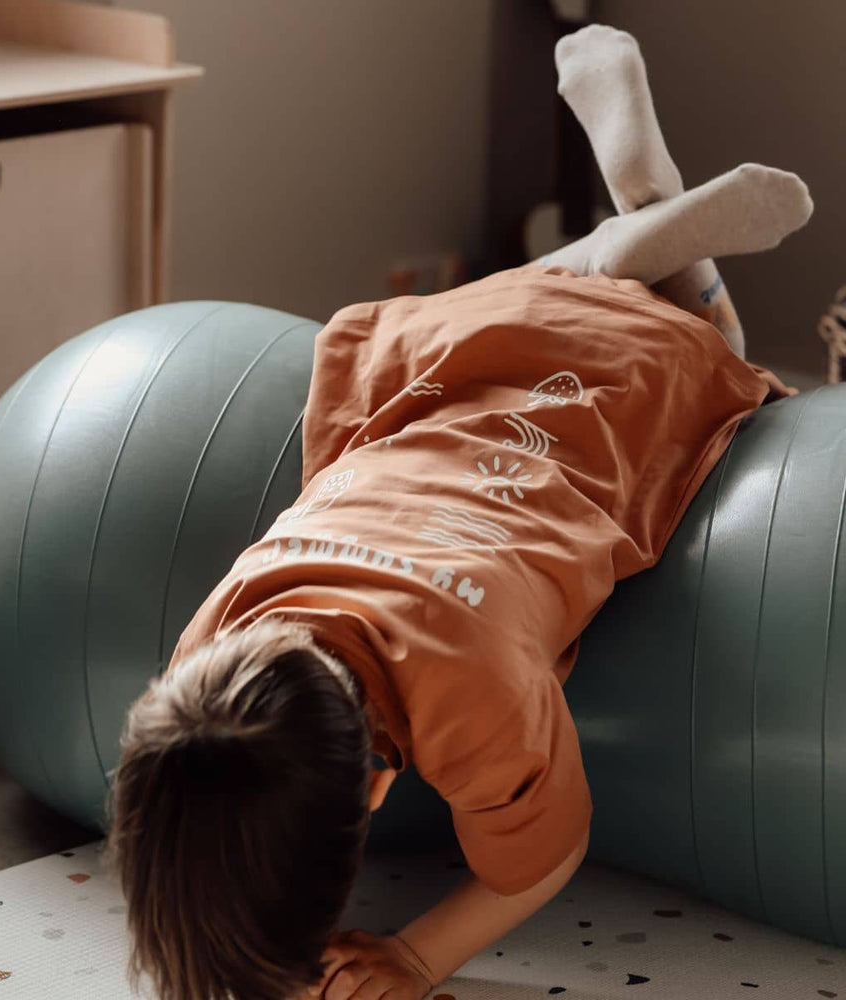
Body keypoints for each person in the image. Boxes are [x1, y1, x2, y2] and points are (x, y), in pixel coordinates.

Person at [101, 25, 812, 1000]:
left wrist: (417, 953)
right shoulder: (208, 648)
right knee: (529, 332)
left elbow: (538, 860)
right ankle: (609, 249)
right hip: (457, 354)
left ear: (371, 793)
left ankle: (652, 233)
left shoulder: (472, 694)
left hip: (598, 401)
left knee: (712, 343)